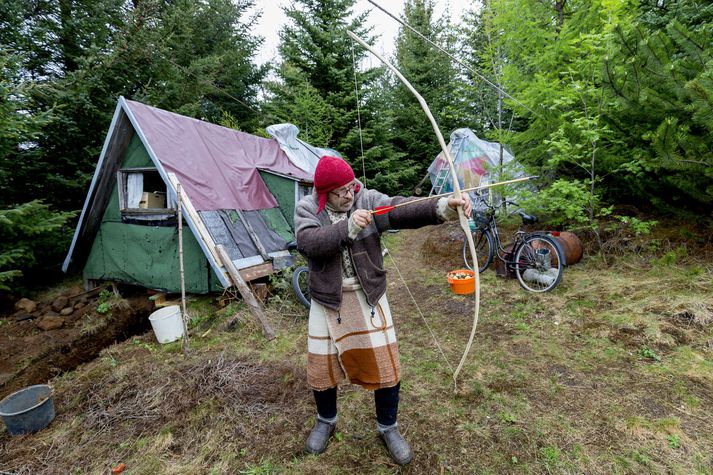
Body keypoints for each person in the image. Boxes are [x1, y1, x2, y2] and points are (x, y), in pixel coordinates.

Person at [294, 155, 471, 465]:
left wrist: (444, 206)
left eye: (351, 187)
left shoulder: (366, 198)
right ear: (324, 194)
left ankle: (388, 427)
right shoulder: (308, 208)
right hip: (328, 299)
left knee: (387, 367)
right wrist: (346, 227)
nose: (349, 195)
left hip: (367, 294)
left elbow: (401, 209)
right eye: (341, 191)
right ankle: (326, 420)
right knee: (322, 369)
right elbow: (309, 243)